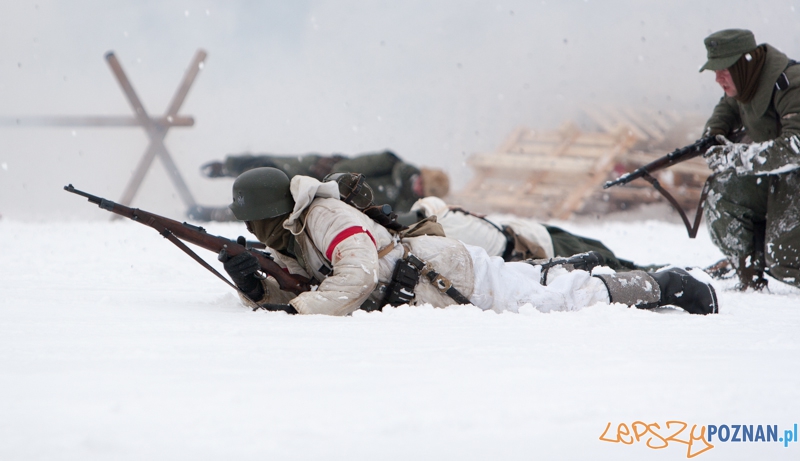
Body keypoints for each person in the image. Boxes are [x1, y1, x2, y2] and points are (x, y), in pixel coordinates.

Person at [219, 167, 718, 316]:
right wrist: (260, 290)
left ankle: (664, 285)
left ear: (272, 213)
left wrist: (298, 312)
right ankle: (557, 267)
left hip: (449, 276)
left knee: (563, 303)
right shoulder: (297, 233)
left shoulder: (325, 215)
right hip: (437, 279)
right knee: (529, 281)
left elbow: (359, 273)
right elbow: (309, 285)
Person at [699, 29, 800, 289]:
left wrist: (736, 156)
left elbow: (795, 146)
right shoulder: (745, 85)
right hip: (776, 180)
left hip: (795, 180)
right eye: (715, 71)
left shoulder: (791, 82)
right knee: (720, 193)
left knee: (784, 260)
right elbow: (727, 109)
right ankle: (749, 278)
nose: (718, 78)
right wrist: (712, 136)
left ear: (746, 64)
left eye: (724, 69)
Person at [403, 196, 644, 270]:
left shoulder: (439, 220)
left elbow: (429, 205)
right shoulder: (443, 226)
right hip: (542, 242)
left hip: (539, 236)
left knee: (611, 260)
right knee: (613, 265)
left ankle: (655, 271)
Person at [200, 150, 449, 213]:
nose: (418, 187)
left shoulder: (404, 206)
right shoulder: (390, 161)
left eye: (423, 191)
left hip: (325, 197)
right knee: (270, 167)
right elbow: (350, 167)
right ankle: (226, 166)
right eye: (421, 182)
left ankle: (212, 214)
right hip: (322, 170)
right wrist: (333, 183)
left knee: (268, 207)